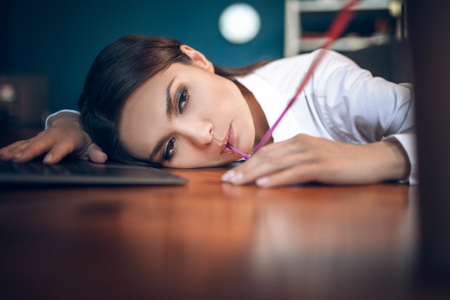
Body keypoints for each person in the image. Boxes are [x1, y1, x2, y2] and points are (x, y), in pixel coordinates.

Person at [0, 35, 416, 187]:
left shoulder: (321, 82)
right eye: (169, 148)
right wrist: (74, 124)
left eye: (182, 98)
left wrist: (383, 155)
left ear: (197, 58)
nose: (202, 137)